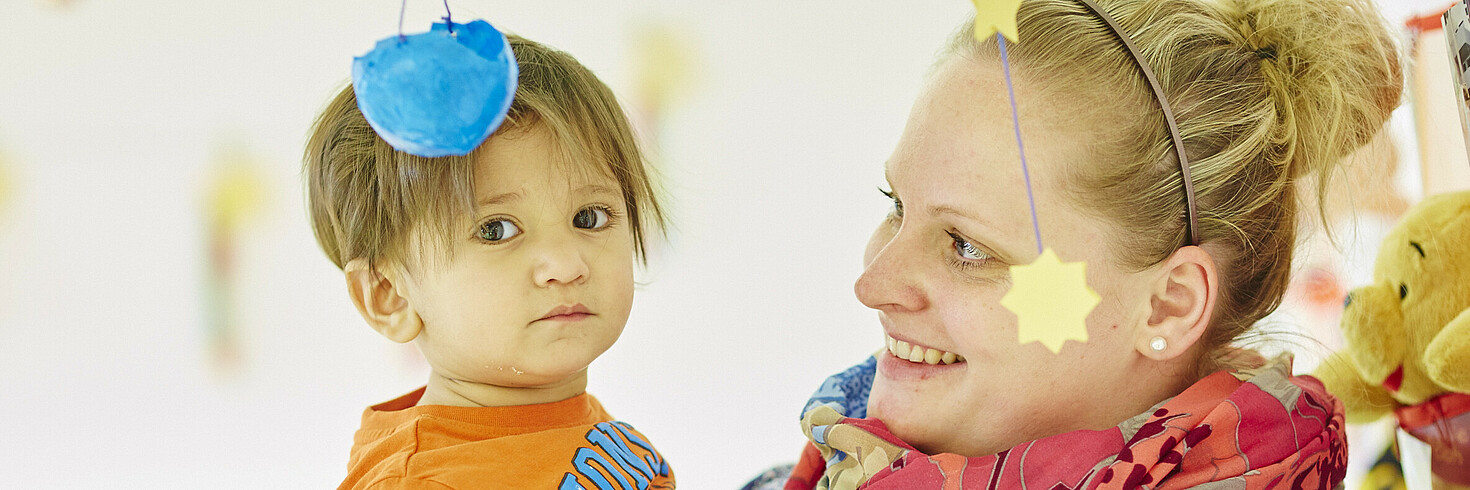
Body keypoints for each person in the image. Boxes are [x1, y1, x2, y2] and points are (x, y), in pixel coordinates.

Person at [777, 0, 1402, 488]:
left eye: (968, 246)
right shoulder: (855, 459)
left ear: (1168, 306)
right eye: (896, 207)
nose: (872, 285)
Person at [304, 34, 675, 489]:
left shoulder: (589, 431)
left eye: (589, 217)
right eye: (496, 229)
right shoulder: (425, 481)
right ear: (390, 295)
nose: (565, 264)